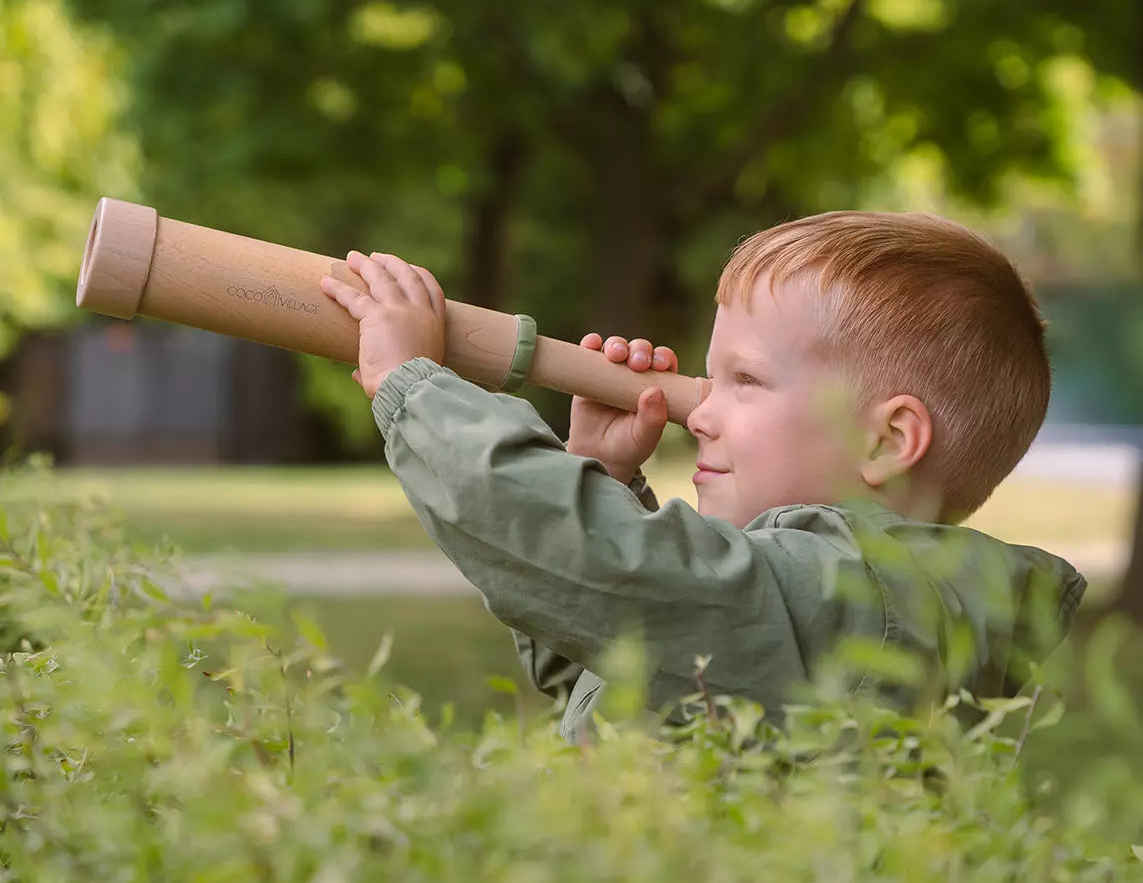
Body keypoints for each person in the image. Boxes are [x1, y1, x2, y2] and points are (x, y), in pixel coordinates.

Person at [320, 212, 1086, 742]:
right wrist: (601, 475)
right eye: (708, 378)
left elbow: (612, 577)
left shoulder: (862, 601)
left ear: (885, 441)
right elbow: (619, 658)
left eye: (744, 381)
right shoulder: (824, 593)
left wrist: (416, 388)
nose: (700, 413)